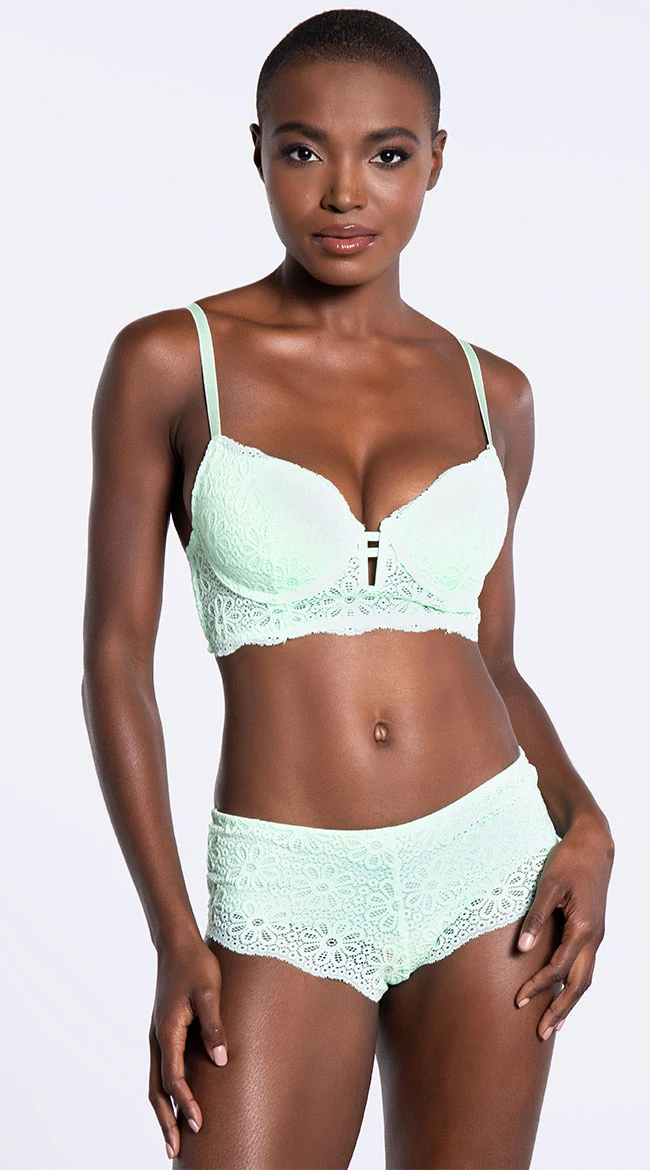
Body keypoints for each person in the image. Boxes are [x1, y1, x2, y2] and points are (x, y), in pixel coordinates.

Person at [81, 9, 615, 1169]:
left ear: (434, 160)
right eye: (300, 149)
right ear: (257, 152)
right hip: (283, 881)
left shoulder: (493, 393)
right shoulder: (170, 362)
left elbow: (489, 657)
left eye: (385, 153)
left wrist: (586, 824)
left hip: (488, 870)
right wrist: (172, 930)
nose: (341, 192)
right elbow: (116, 662)